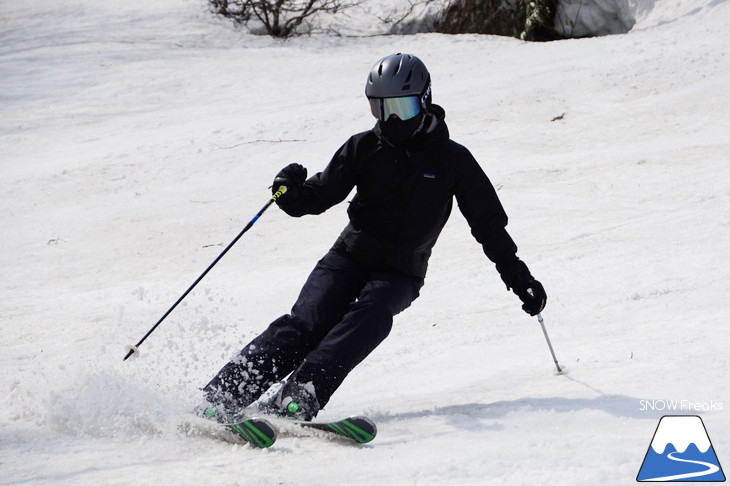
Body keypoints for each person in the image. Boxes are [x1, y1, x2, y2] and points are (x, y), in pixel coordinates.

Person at [200, 53, 547, 422]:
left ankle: (302, 393)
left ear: (425, 101)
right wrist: (290, 193)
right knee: (306, 324)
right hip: (349, 256)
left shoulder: (453, 160)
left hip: (400, 272)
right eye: (381, 108)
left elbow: (489, 226)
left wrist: (520, 279)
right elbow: (320, 194)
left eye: (402, 105)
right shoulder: (363, 147)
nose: (392, 118)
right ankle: (225, 394)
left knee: (372, 314)